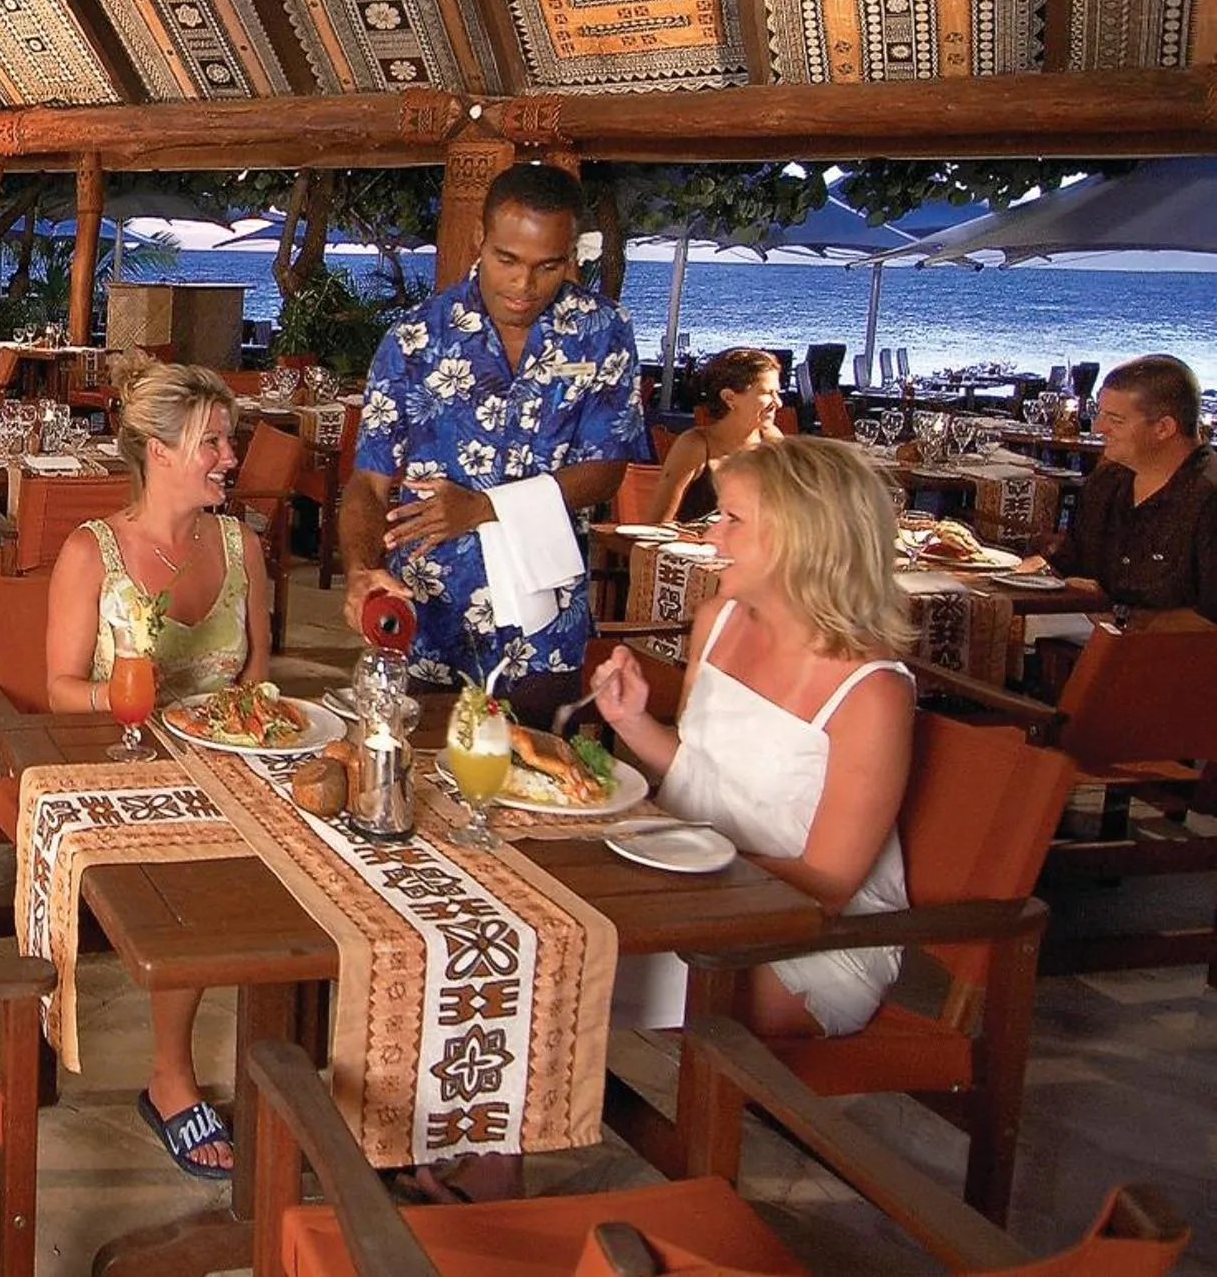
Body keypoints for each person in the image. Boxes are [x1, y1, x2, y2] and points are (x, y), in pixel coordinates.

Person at [593, 436, 914, 1039]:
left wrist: (666, 874)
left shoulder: (871, 693)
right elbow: (701, 769)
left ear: (805, 535)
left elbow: (828, 886)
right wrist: (631, 722)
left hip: (808, 942)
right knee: (545, 945)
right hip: (695, 892)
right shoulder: (720, 621)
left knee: (568, 972)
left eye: (733, 520)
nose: (711, 537)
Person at [42, 363, 271, 1181]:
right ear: (158, 449)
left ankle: (303, 1068)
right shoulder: (90, 552)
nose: (229, 457)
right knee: (208, 865)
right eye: (212, 441)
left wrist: (243, 733)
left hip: (233, 765)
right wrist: (125, 695)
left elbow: (254, 681)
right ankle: (170, 1076)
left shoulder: (242, 545)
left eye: (229, 441)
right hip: (124, 763)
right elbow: (59, 687)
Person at [337, 165, 641, 725]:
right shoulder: (415, 338)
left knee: (543, 788)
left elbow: (606, 470)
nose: (524, 285)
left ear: (571, 255)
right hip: (424, 616)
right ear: (480, 239)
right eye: (508, 260)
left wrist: (482, 508)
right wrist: (360, 568)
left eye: (547, 266)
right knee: (420, 785)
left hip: (546, 620)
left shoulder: (602, 331)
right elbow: (368, 482)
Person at [1038, 354, 1217, 620]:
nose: (1098, 427)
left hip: (1174, 655)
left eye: (1115, 420)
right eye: (1100, 414)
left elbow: (1209, 622)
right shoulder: (1107, 483)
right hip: (1089, 632)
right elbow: (1071, 564)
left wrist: (1121, 618)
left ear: (1164, 428)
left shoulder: (1207, 499)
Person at [650, 347, 783, 524]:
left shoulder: (771, 440)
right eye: (767, 393)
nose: (779, 403)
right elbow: (656, 525)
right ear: (729, 398)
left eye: (778, 393)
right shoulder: (696, 446)